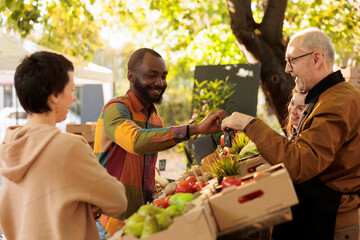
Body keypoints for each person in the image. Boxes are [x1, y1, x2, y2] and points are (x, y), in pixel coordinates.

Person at [221, 28, 360, 240]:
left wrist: (249, 123)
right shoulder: (327, 96)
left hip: (332, 220)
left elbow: (300, 164)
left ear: (316, 59)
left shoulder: (336, 102)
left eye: (291, 60)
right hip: (319, 212)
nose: (287, 69)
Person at [93, 48, 226, 236]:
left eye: (163, 76)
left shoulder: (155, 119)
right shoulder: (115, 108)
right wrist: (194, 129)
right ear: (131, 76)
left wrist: (156, 192)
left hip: (140, 223)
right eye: (151, 75)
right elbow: (136, 141)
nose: (160, 83)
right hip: (108, 225)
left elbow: (145, 165)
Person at [0, 51, 128, 240]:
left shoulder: (9, 146)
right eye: (72, 90)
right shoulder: (69, 147)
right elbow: (118, 201)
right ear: (54, 96)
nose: (74, 98)